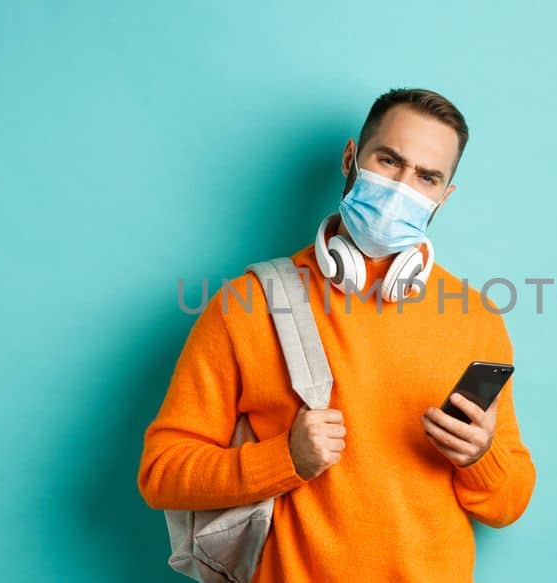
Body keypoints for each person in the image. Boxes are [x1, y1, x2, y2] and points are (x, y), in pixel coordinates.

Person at [139, 88, 536, 582]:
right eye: (389, 160)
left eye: (427, 177)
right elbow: (161, 474)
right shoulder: (248, 304)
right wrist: (284, 458)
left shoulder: (476, 317)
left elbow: (509, 502)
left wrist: (479, 457)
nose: (402, 187)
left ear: (444, 194)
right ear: (352, 157)